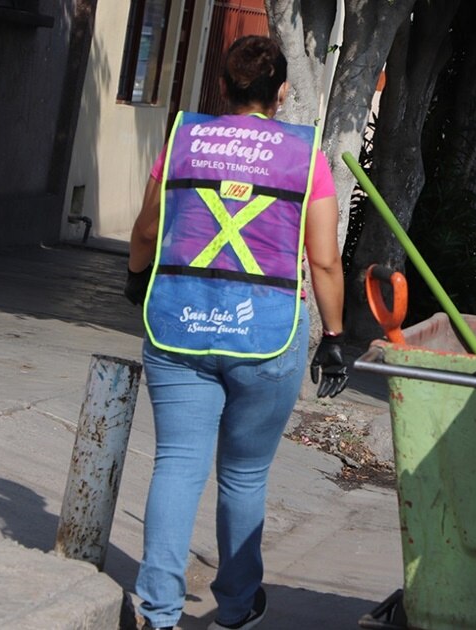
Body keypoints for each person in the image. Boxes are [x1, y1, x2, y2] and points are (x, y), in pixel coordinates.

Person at [124, 35, 348, 630]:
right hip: (266, 333)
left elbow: (147, 229)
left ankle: (159, 612)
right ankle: (236, 607)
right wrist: (334, 335)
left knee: (175, 464)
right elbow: (323, 261)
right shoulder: (306, 155)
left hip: (180, 327)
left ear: (222, 88)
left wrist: (135, 279)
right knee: (244, 475)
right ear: (281, 92)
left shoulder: (183, 141)